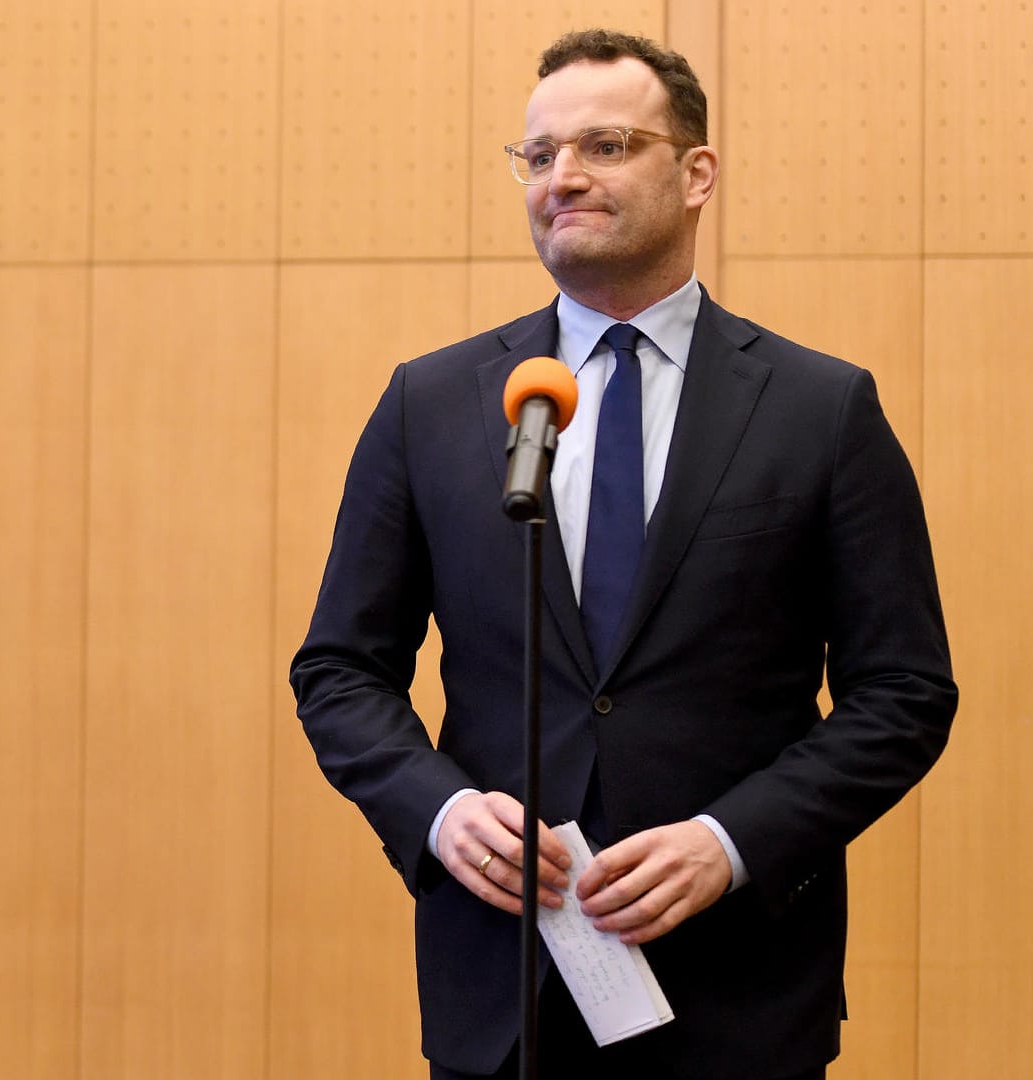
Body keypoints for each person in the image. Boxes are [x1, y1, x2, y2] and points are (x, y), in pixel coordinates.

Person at [289, 28, 956, 1080]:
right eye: (539, 154)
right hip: (504, 989)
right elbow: (338, 670)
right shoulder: (434, 404)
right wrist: (443, 811)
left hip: (740, 989)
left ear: (697, 173)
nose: (563, 178)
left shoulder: (820, 410)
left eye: (605, 145)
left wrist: (732, 843)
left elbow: (904, 691)